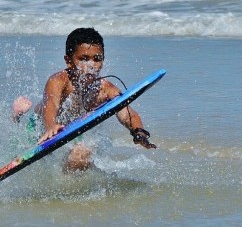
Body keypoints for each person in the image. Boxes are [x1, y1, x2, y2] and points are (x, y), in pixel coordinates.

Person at [12, 27, 156, 173]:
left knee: (82, 154)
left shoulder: (106, 89)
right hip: (40, 127)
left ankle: (65, 188)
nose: (91, 65)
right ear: (68, 61)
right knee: (21, 148)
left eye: (97, 59)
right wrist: (50, 126)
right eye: (84, 59)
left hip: (71, 131)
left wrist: (139, 132)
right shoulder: (59, 81)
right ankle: (18, 115)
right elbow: (50, 106)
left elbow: (128, 115)